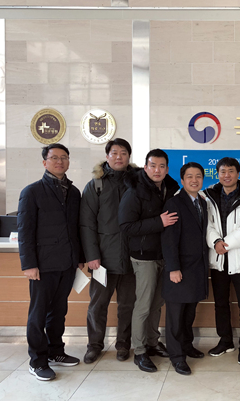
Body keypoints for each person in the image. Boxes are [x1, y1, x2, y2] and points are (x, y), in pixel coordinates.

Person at [17, 143, 83, 381]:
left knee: (59, 311)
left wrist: (80, 258)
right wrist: (28, 264)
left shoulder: (73, 192)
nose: (59, 161)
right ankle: (37, 361)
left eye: (64, 157)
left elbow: (76, 228)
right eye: (54, 158)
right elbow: (25, 230)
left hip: (67, 263)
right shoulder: (32, 191)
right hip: (43, 265)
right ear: (44, 162)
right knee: (38, 314)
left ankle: (56, 351)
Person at [118, 149, 179, 373]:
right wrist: (158, 222)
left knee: (157, 304)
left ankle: (153, 342)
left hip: (164, 255)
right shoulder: (135, 191)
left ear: (167, 169)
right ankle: (140, 351)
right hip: (143, 256)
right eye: (153, 165)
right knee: (143, 305)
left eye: (162, 166)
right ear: (145, 167)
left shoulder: (169, 189)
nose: (157, 170)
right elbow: (126, 226)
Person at [80, 138, 136, 364]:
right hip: (103, 259)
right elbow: (86, 224)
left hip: (132, 258)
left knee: (127, 306)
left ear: (129, 157)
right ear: (107, 156)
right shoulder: (96, 185)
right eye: (114, 152)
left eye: (123, 153)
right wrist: (92, 255)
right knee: (98, 305)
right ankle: (94, 345)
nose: (119, 157)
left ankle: (123, 345)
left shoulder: (137, 182)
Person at [204, 157, 240, 365]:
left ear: (238, 173)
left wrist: (225, 244)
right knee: (221, 303)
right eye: (222, 171)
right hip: (218, 259)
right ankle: (225, 341)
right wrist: (215, 242)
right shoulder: (208, 196)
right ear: (217, 174)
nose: (226, 175)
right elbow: (207, 224)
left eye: (230, 171)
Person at [161, 162, 209, 376]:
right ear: (182, 180)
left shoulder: (203, 203)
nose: (194, 180)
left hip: (196, 269)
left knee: (189, 312)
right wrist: (173, 268)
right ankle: (177, 356)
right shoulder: (174, 203)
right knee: (175, 316)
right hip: (179, 269)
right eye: (189, 176)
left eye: (198, 176)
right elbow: (169, 239)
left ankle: (187, 346)